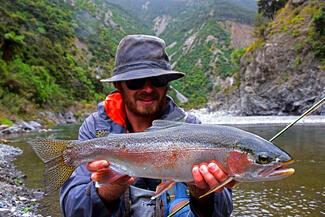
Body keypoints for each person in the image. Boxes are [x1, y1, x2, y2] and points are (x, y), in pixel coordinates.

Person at [60, 35, 234, 217]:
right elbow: (72, 210)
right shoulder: (96, 128)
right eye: (136, 82)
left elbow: (223, 211)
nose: (148, 89)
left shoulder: (191, 127)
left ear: (167, 85)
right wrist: (109, 188)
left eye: (157, 80)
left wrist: (202, 194)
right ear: (119, 85)